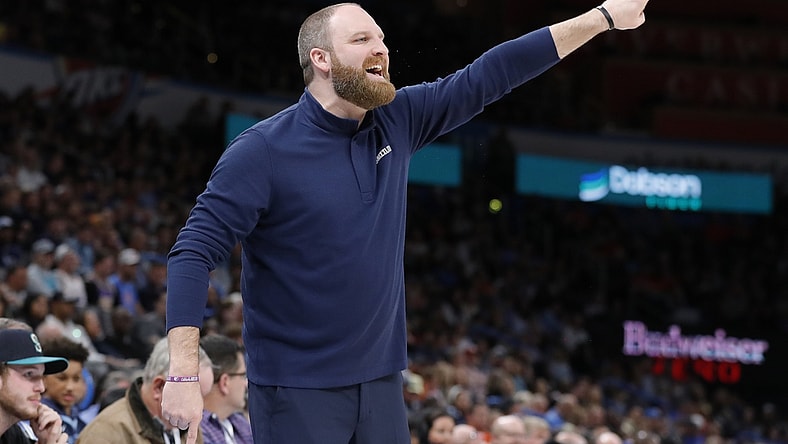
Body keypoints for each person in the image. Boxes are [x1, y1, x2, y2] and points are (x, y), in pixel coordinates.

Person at [161, 2, 649, 443]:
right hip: (297, 388)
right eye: (362, 40)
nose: (381, 49)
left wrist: (602, 16)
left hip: (381, 382)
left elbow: (491, 74)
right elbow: (192, 254)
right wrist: (184, 375)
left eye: (382, 39)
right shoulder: (262, 151)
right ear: (321, 60)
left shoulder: (398, 117)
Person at [75, 337, 214, 444]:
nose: (199, 410)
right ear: (159, 387)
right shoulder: (105, 435)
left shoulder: (186, 426)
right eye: (194, 397)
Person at [0, 326, 70, 444]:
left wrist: (44, 442)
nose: (41, 388)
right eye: (29, 374)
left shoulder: (12, 435)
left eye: (42, 376)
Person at [198, 334, 253, 444]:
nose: (246, 384)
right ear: (224, 382)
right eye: (242, 375)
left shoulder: (239, 421)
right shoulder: (197, 430)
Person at [39, 337, 90, 444]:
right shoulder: (39, 421)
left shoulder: (82, 423)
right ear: (44, 378)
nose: (70, 387)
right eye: (62, 378)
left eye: (76, 379)